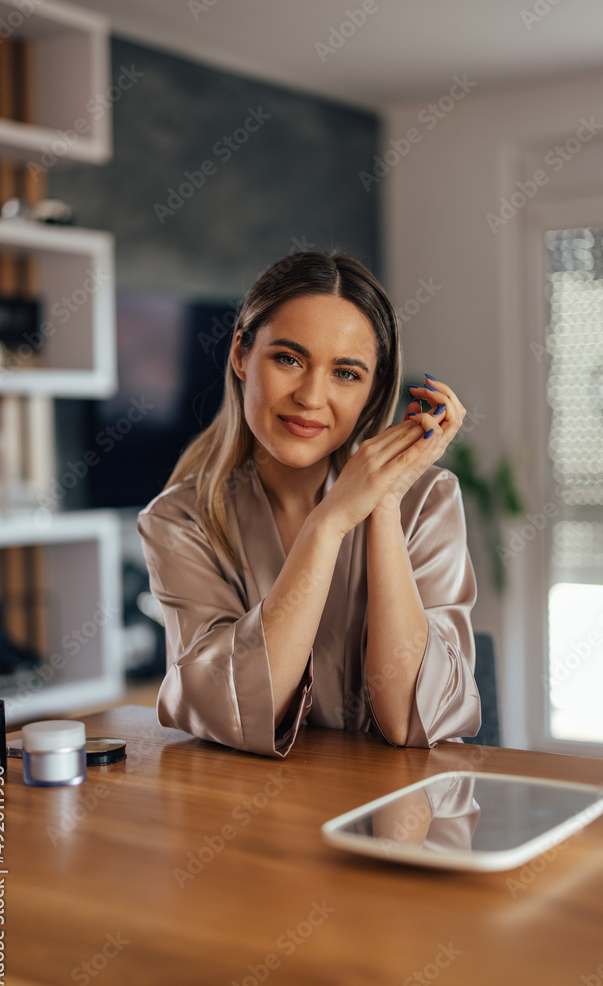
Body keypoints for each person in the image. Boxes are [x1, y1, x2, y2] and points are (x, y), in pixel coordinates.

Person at [137, 249, 480, 758]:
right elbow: (230, 709)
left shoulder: (427, 499)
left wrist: (382, 503)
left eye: (346, 373)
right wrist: (329, 524)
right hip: (248, 814)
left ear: (373, 389)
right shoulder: (179, 520)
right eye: (289, 359)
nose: (311, 397)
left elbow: (413, 718)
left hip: (398, 818)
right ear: (240, 354)